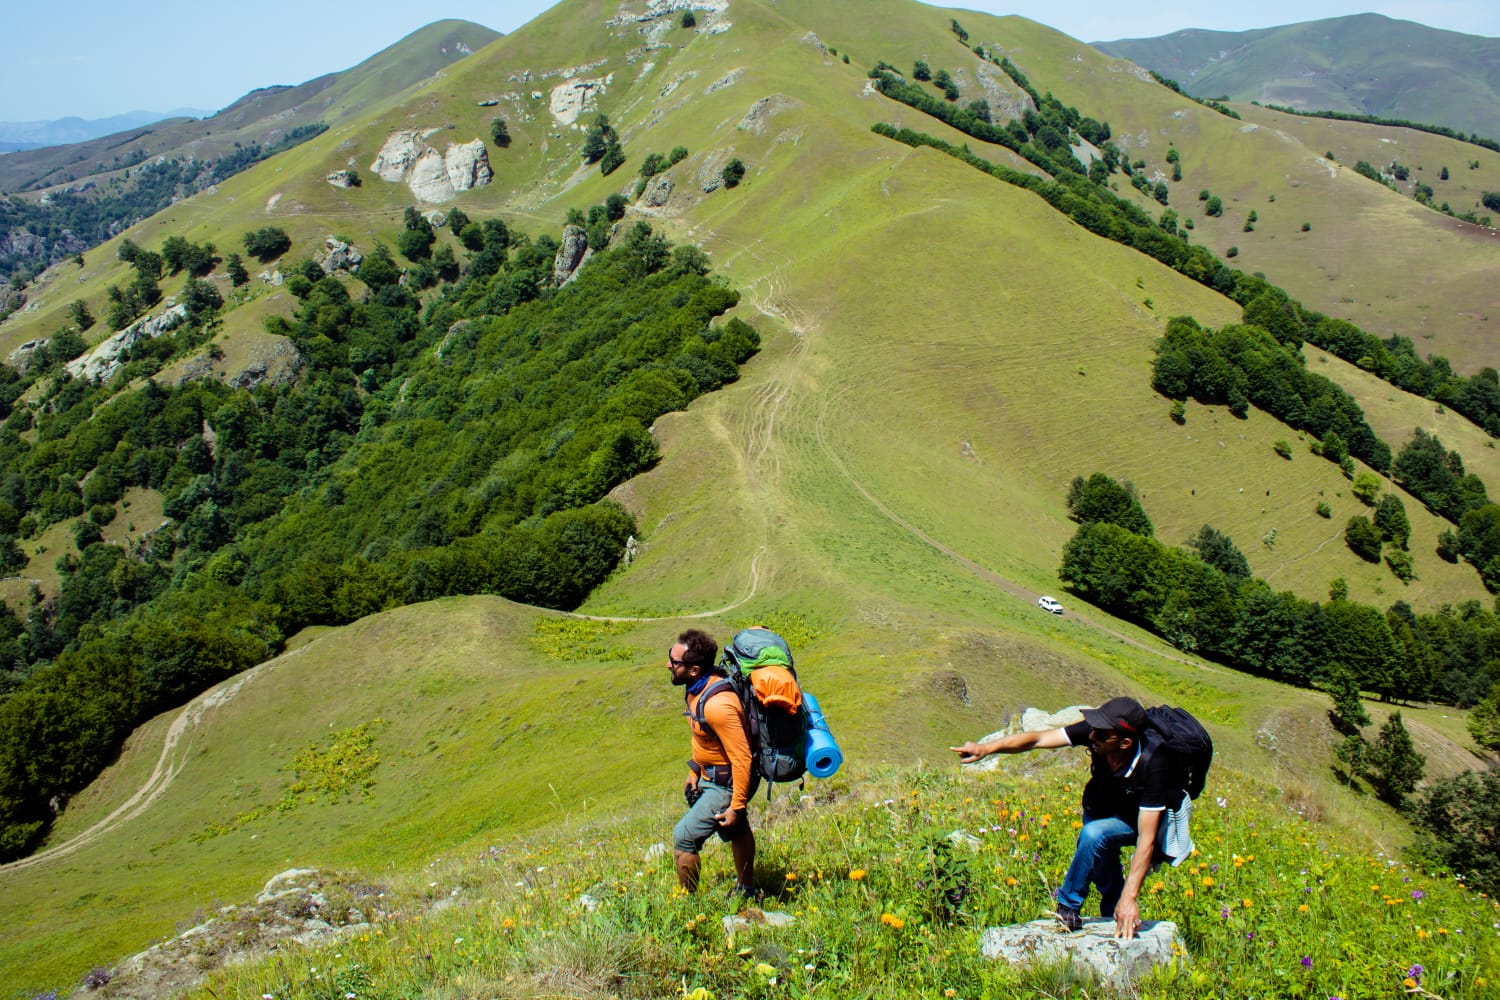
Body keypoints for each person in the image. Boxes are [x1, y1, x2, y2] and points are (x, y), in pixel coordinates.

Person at [950, 696, 1185, 940]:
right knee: (1106, 876)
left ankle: (1068, 906)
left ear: (1125, 743)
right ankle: (1112, 921)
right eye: (1092, 731)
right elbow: (1038, 739)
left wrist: (1131, 897)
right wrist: (986, 748)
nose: (1091, 737)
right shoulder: (1099, 732)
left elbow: (1146, 838)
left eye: (1101, 736)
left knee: (1094, 835)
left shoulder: (1154, 762)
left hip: (1132, 820)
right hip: (1099, 807)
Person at [668, 628, 757, 896]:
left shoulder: (719, 705)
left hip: (726, 784)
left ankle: (690, 906)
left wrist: (737, 805)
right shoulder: (696, 689)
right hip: (711, 776)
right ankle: (747, 888)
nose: (668, 665)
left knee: (684, 838)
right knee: (736, 831)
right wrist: (695, 769)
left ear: (694, 670)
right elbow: (704, 738)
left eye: (674, 662)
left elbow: (742, 758)